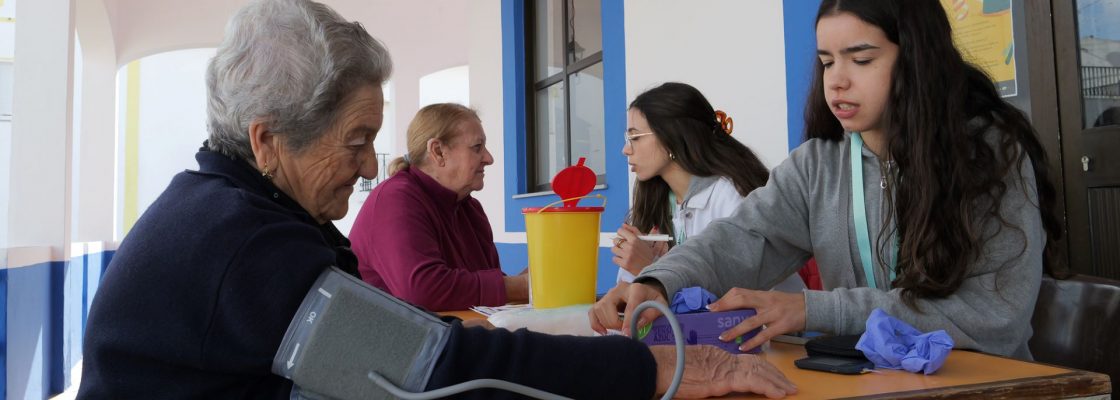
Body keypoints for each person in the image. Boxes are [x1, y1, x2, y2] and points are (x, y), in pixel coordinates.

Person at [77, 0, 797, 398]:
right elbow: (424, 368)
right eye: (355, 139)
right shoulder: (243, 245)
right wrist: (654, 368)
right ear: (268, 141)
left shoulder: (225, 210)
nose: (368, 168)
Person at [591, 0, 1063, 361]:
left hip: (986, 384)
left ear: (918, 60)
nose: (836, 81)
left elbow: (992, 317)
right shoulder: (818, 164)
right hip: (866, 381)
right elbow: (742, 237)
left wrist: (815, 311)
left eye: (861, 59)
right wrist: (659, 282)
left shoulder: (990, 155)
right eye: (827, 61)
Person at [613, 82, 806, 293]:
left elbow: (741, 302)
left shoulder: (732, 198)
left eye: (635, 137)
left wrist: (654, 273)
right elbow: (631, 300)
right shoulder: (652, 206)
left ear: (671, 137)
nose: (626, 149)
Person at [350, 103, 527, 311]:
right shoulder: (395, 199)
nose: (489, 158)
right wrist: (523, 286)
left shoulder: (470, 209)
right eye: (477, 147)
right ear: (438, 152)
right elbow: (423, 291)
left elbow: (482, 292)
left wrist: (533, 281)